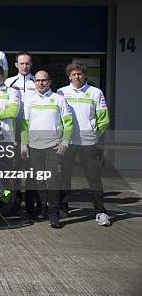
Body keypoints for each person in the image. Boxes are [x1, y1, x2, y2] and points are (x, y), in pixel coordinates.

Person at [57, 61, 112, 226]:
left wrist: (94, 135)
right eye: (73, 74)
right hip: (67, 142)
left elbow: (104, 119)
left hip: (88, 143)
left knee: (94, 178)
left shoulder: (95, 92)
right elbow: (57, 117)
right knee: (64, 177)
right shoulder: (61, 92)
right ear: (69, 76)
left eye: (79, 74)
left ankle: (100, 211)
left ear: (85, 75)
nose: (76, 77)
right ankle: (63, 208)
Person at [21, 70, 73, 228]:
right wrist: (24, 145)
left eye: (44, 80)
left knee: (53, 181)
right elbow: (25, 125)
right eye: (38, 80)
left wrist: (65, 142)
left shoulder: (59, 99)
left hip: (53, 147)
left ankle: (53, 215)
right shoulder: (28, 100)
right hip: (34, 147)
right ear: (34, 82)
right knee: (39, 182)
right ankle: (42, 211)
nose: (41, 83)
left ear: (50, 82)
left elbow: (69, 123)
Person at [5, 51, 38, 216]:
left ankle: (31, 205)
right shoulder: (8, 82)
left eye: (27, 63)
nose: (24, 66)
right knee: (14, 169)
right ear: (16, 65)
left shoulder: (37, 82)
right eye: (21, 63)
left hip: (33, 132)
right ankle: (15, 204)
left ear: (31, 65)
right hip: (13, 132)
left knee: (32, 170)